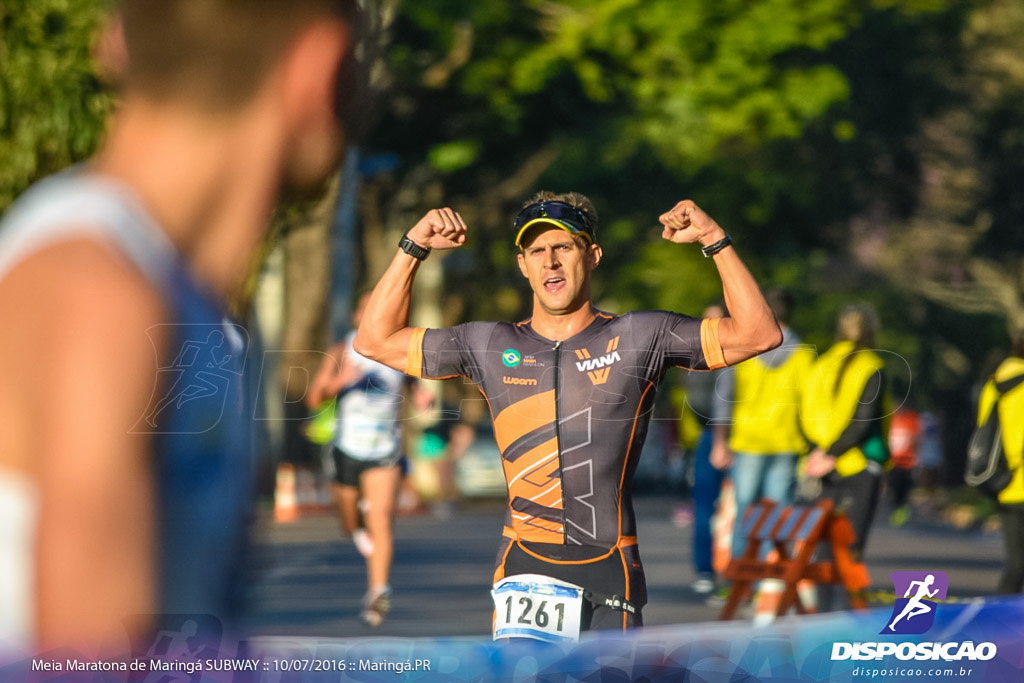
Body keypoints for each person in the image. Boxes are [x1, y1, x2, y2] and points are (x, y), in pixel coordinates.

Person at [0, 0, 359, 656]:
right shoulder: (103, 300)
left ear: (115, 46)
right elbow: (87, 667)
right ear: (318, 69)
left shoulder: (175, 302)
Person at [353, 191, 781, 635]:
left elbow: (758, 333)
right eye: (536, 250)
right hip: (523, 568)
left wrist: (715, 239)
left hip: (607, 567)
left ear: (592, 255)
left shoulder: (641, 336)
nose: (549, 261)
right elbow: (374, 340)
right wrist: (412, 247)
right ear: (523, 266)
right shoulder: (489, 344)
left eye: (563, 247)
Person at [306, 293, 433, 627]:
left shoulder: (398, 353)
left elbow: (415, 387)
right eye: (366, 310)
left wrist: (421, 397)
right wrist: (339, 382)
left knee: (382, 516)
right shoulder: (341, 351)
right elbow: (314, 398)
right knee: (349, 523)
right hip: (347, 448)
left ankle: (378, 591)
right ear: (356, 316)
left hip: (384, 449)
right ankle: (356, 524)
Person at [798, 303, 889, 611]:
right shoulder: (872, 366)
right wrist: (836, 453)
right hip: (859, 465)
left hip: (821, 467)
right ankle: (852, 619)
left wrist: (817, 453)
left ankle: (824, 615)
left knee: (824, 549)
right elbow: (865, 420)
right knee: (851, 549)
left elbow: (804, 415)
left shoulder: (820, 364)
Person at [713, 288, 815, 560]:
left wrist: (719, 442)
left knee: (745, 510)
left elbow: (724, 399)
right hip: (787, 442)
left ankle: (739, 578)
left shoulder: (743, 349)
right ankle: (770, 579)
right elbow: (811, 406)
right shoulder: (804, 355)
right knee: (780, 514)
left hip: (748, 442)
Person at [682, 304, 731, 596]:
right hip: (710, 438)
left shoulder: (724, 355)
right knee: (705, 507)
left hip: (729, 438)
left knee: (732, 510)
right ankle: (706, 570)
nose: (711, 325)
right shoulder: (697, 355)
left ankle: (736, 574)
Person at [975, 332, 1024, 594]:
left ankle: (1000, 625)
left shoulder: (994, 384)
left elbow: (984, 429)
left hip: (1002, 482)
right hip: (1019, 477)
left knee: (1016, 563)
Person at [887, 403, 923, 526]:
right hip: (894, 462)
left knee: (905, 488)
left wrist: (917, 458)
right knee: (894, 487)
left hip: (908, 462)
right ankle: (896, 507)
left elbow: (917, 439)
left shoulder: (912, 420)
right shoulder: (891, 420)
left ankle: (902, 508)